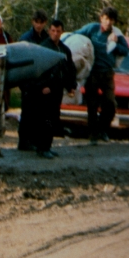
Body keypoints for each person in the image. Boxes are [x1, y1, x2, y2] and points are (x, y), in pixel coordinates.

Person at [75, 7, 129, 144]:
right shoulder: (92, 29)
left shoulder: (117, 34)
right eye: (105, 18)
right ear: (101, 18)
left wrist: (115, 43)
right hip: (92, 72)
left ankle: (103, 130)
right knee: (92, 105)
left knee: (110, 104)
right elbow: (77, 35)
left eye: (111, 19)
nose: (108, 22)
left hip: (107, 73)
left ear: (114, 21)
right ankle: (93, 135)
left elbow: (126, 50)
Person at [23, 20, 77, 158]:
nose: (55, 33)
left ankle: (47, 146)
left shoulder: (65, 49)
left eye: (58, 31)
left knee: (53, 118)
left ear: (62, 32)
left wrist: (71, 86)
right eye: (53, 30)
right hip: (45, 89)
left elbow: (70, 69)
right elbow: (36, 69)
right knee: (44, 119)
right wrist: (41, 85)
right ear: (49, 31)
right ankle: (42, 148)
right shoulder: (43, 47)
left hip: (58, 88)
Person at [17, 9, 49, 151]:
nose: (39, 25)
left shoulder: (47, 38)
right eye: (36, 22)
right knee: (27, 113)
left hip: (42, 81)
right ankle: (23, 142)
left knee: (39, 113)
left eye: (41, 22)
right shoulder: (25, 38)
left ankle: (35, 141)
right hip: (28, 81)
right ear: (32, 22)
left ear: (45, 23)